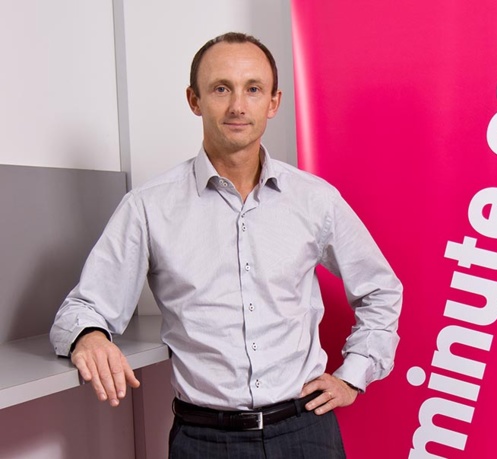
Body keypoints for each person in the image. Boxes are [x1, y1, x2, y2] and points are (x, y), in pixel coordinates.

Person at [50, 32, 402, 458]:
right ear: (194, 100)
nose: (238, 105)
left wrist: (353, 376)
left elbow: (381, 289)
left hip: (306, 432)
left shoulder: (316, 200)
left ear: (273, 102)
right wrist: (88, 336)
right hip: (204, 441)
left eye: (253, 89)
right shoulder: (148, 207)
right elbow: (83, 308)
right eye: (221, 89)